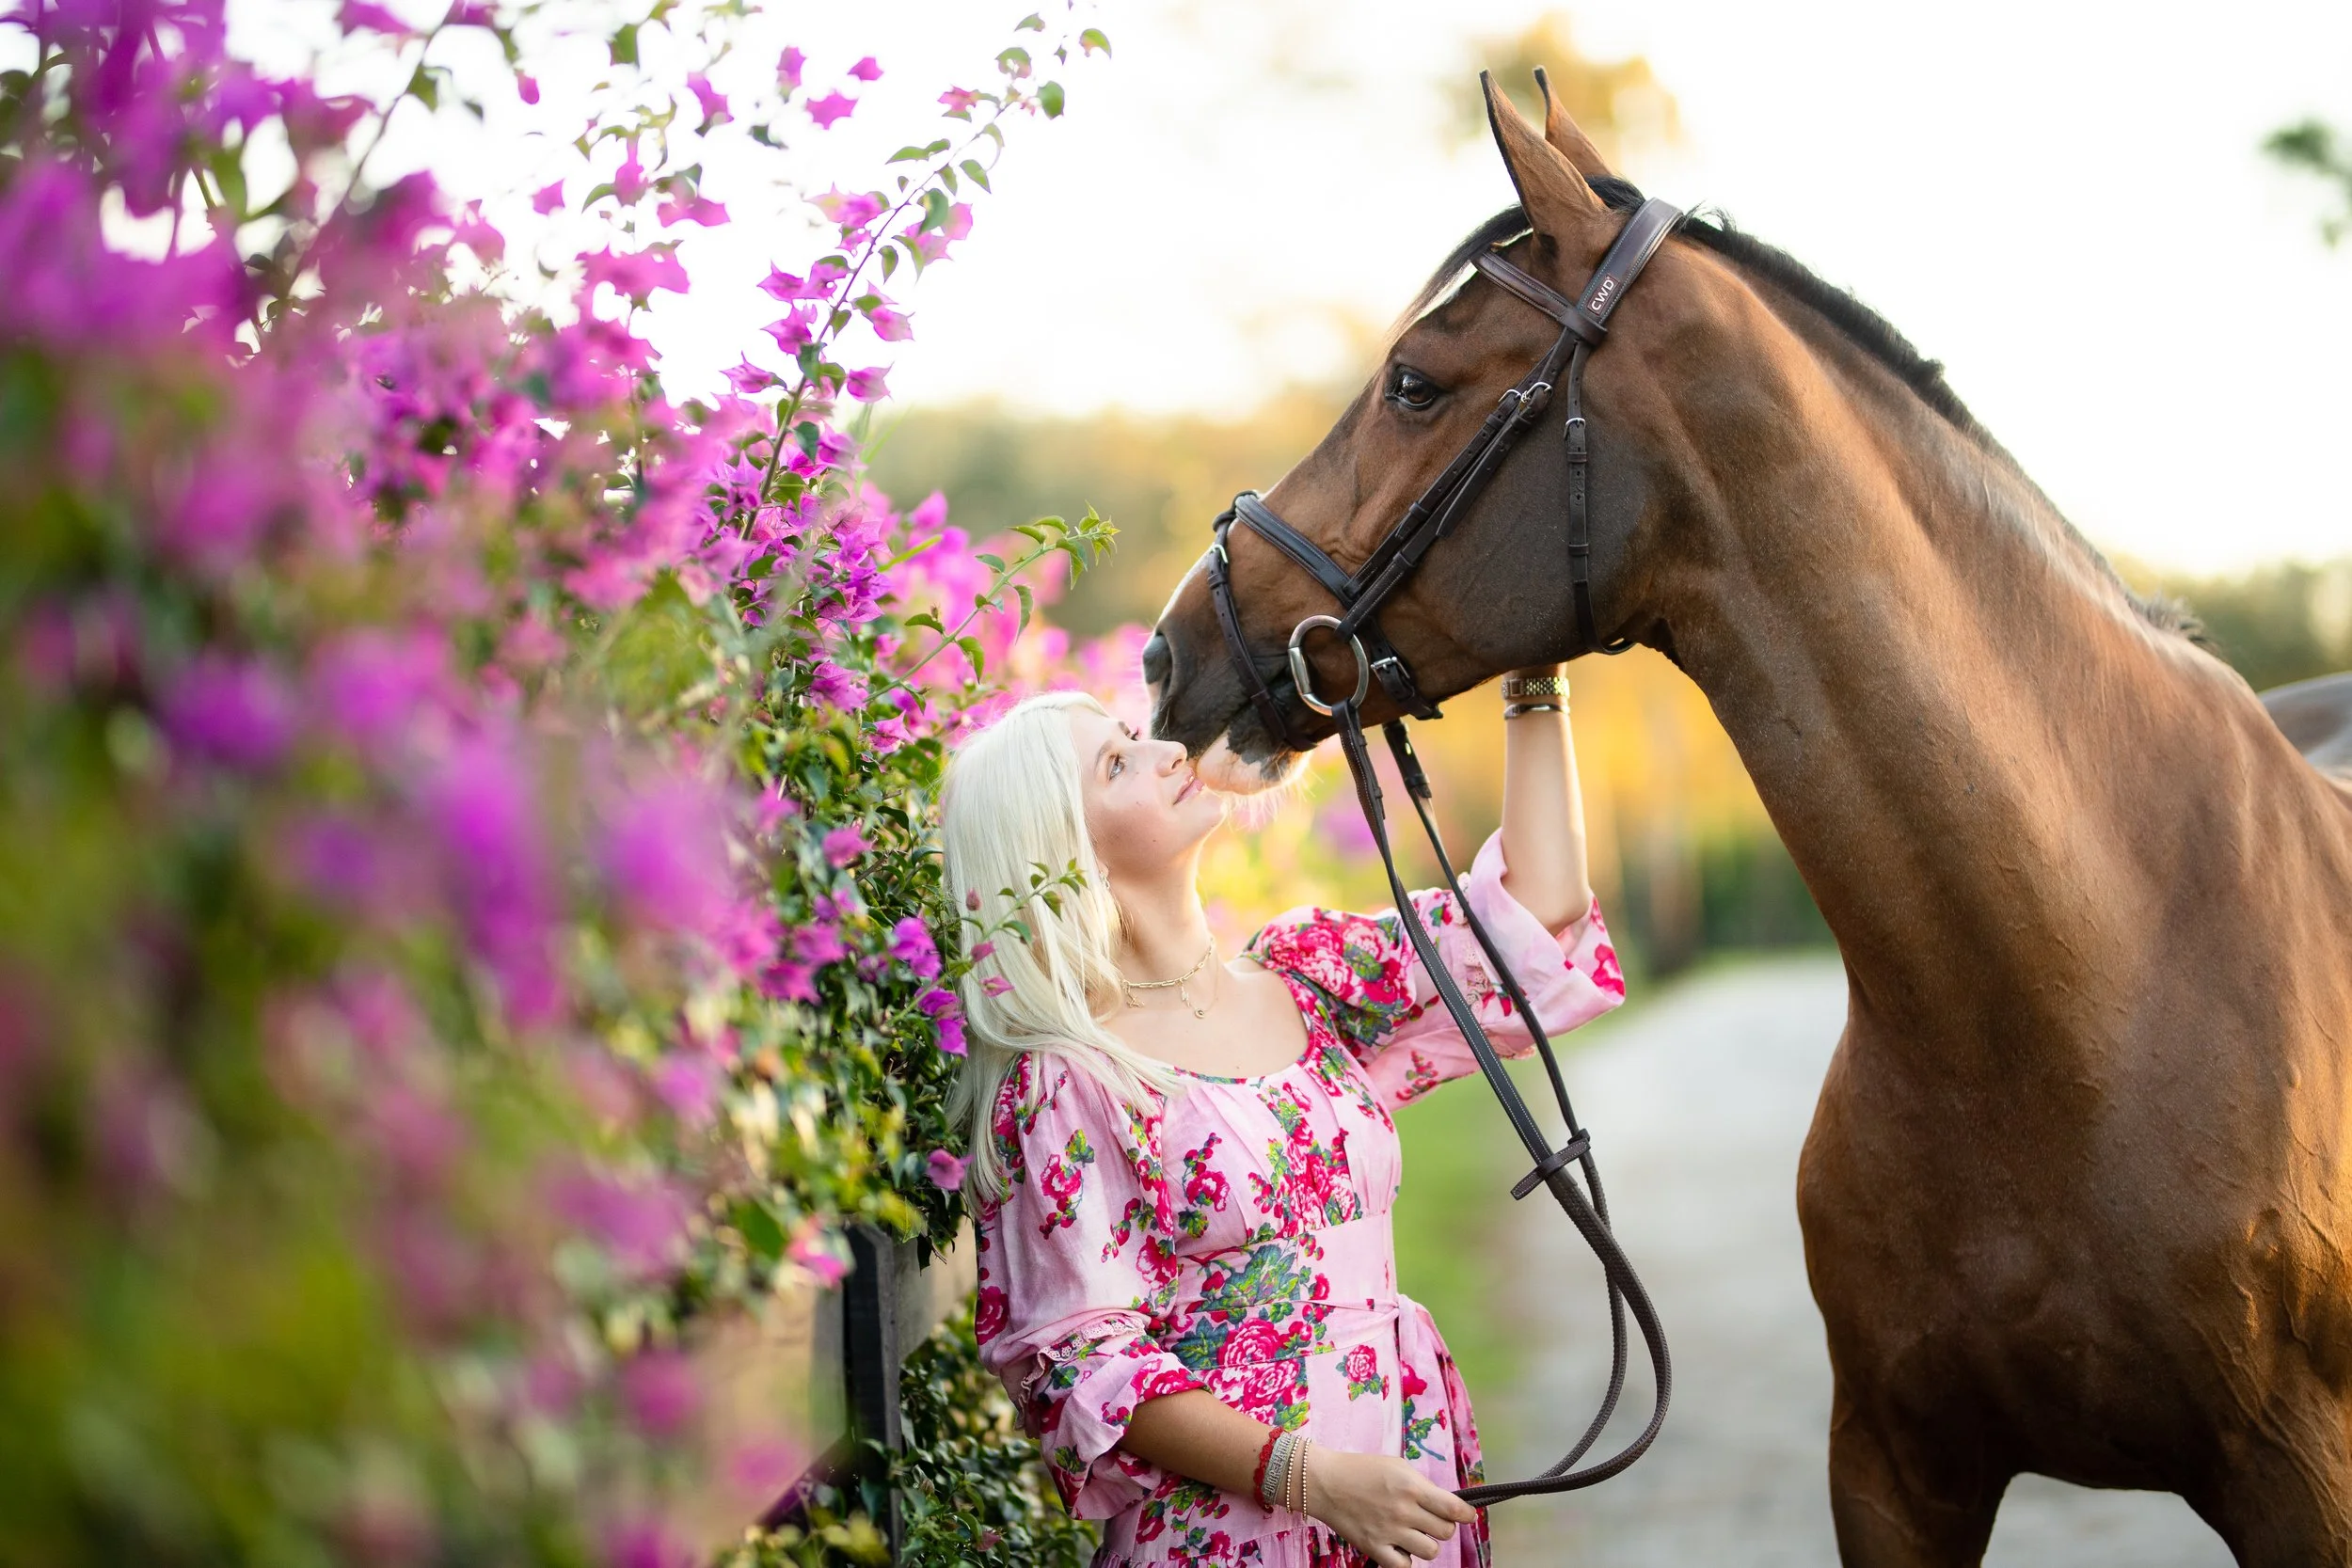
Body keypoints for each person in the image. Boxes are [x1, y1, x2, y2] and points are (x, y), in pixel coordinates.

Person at [940, 667, 1627, 1568]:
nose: (1168, 749)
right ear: (1064, 853)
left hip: (1395, 1479)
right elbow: (1086, 1364)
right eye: (1117, 763)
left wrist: (1537, 673)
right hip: (1230, 1537)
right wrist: (1317, 1480)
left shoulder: (1309, 976)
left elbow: (1535, 918)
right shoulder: (1069, 1080)